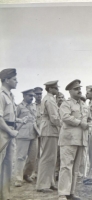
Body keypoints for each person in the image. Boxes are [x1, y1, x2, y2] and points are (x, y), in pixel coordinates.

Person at [58, 79, 90, 200]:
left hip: (81, 139)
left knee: (76, 168)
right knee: (66, 166)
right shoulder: (66, 104)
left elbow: (89, 119)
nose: (79, 91)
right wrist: (80, 123)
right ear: (70, 91)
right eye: (76, 89)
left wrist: (88, 125)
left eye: (79, 88)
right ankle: (62, 193)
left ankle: (71, 192)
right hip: (69, 139)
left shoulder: (84, 105)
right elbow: (65, 117)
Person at [0, 68, 26, 200]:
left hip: (9, 133)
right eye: (14, 79)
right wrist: (10, 131)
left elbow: (8, 115)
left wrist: (18, 120)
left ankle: (5, 195)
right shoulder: (1, 95)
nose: (17, 81)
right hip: (3, 133)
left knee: (8, 166)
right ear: (6, 80)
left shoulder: (10, 95)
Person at [36, 80, 61, 193]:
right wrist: (64, 125)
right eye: (55, 88)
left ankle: (50, 182)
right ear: (50, 89)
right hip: (49, 129)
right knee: (47, 157)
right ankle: (42, 185)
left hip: (50, 129)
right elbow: (54, 118)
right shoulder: (50, 100)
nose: (57, 90)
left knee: (51, 157)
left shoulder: (50, 99)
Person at [14, 89, 39, 187]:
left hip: (33, 134)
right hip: (23, 134)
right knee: (20, 157)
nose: (32, 98)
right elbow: (14, 118)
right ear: (24, 96)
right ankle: (18, 179)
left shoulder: (33, 106)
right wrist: (21, 121)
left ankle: (26, 174)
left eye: (32, 96)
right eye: (29, 96)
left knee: (33, 157)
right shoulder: (19, 107)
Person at [29, 87, 43, 180]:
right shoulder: (32, 106)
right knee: (34, 153)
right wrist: (37, 131)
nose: (39, 96)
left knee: (42, 153)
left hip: (44, 131)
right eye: (37, 94)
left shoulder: (45, 105)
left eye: (40, 94)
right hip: (35, 132)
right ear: (34, 95)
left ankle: (40, 172)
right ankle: (33, 172)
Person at [55, 91, 65, 181]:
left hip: (64, 133)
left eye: (62, 97)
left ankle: (60, 174)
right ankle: (55, 172)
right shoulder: (54, 108)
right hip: (55, 133)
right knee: (56, 155)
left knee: (63, 155)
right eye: (59, 97)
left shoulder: (65, 108)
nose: (61, 99)